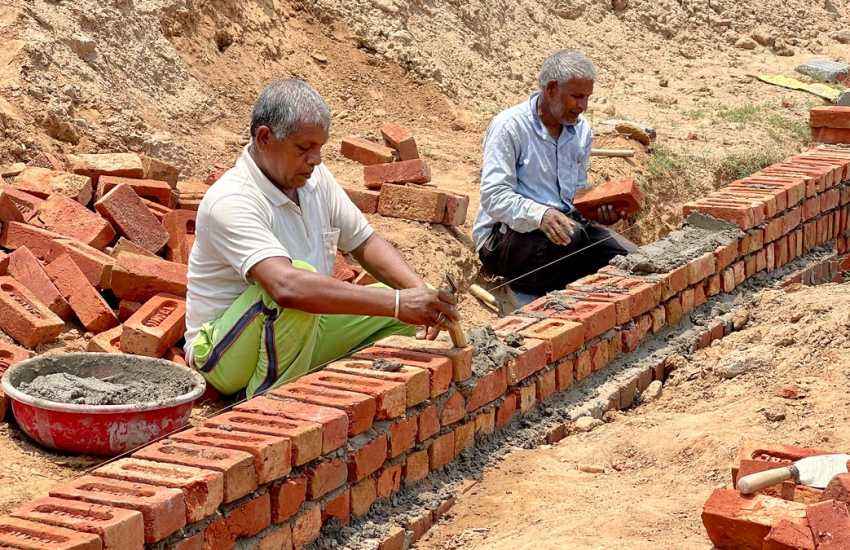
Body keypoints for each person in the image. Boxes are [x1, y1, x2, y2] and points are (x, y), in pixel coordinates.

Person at [184, 79, 459, 398]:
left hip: (302, 328)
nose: (315, 159)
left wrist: (420, 296)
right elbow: (286, 287)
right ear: (264, 138)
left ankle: (358, 399)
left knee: (405, 315)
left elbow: (365, 243)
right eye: (304, 148)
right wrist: (398, 303)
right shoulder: (232, 199)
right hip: (224, 355)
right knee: (301, 288)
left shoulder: (315, 179)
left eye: (320, 147)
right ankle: (266, 407)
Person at [473, 50, 637, 300]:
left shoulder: (581, 131)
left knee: (634, 261)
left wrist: (600, 212)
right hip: (506, 238)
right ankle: (544, 301)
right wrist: (541, 215)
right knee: (572, 240)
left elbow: (575, 199)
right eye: (576, 97)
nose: (583, 106)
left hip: (564, 231)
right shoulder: (509, 127)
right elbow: (494, 197)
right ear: (551, 89)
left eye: (587, 97)